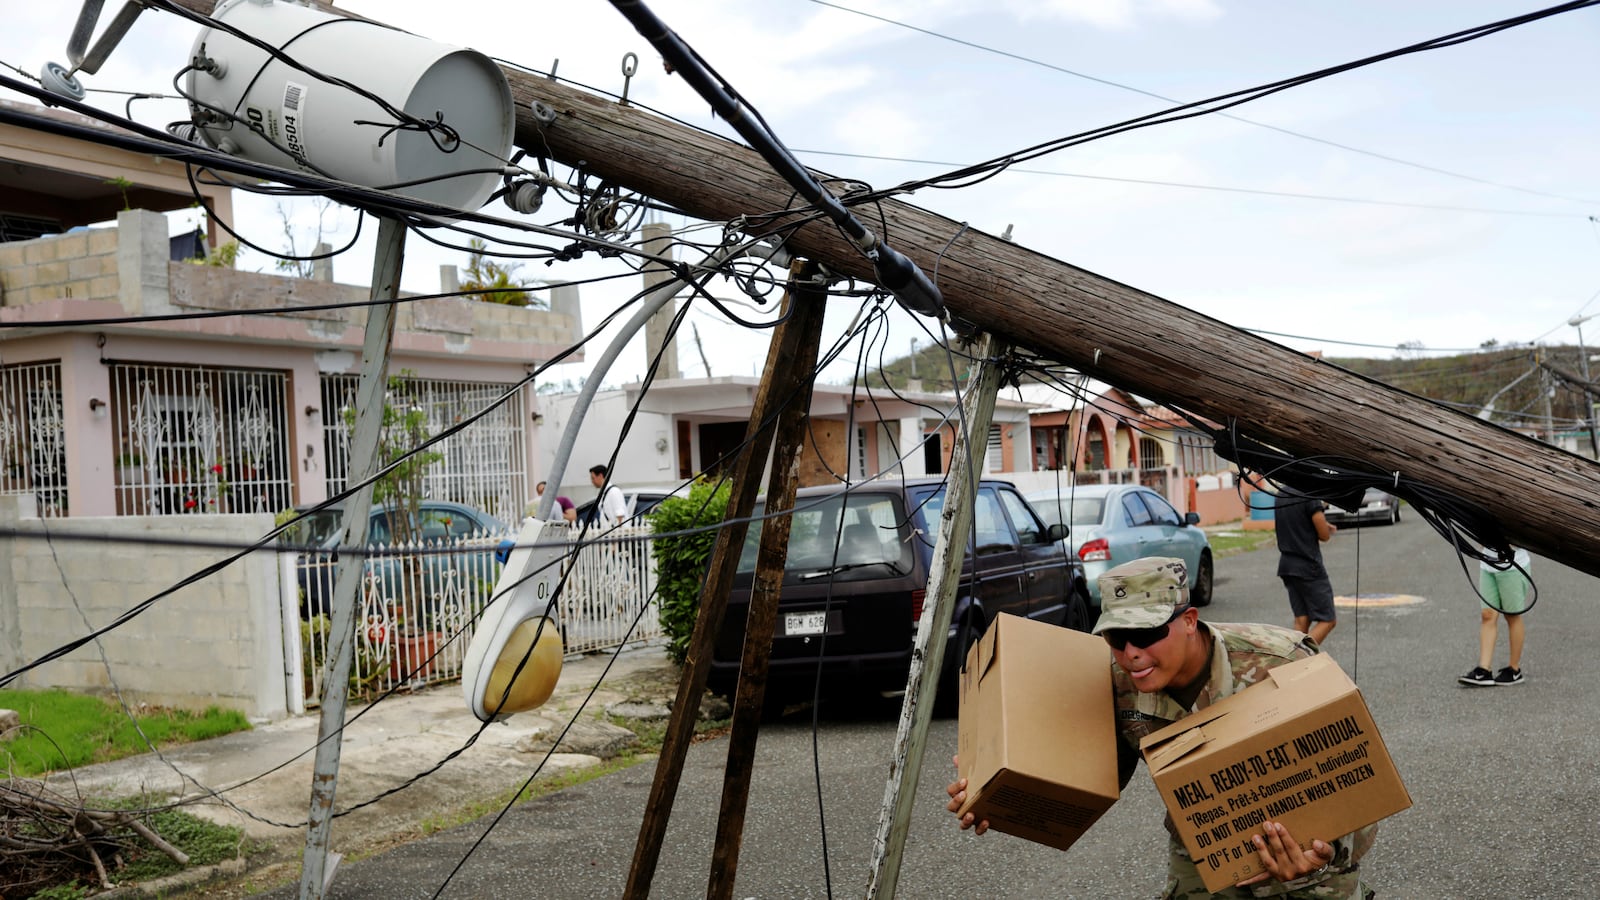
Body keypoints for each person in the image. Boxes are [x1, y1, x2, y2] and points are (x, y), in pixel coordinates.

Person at [947, 557, 1377, 899]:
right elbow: (1083, 778)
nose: (1131, 652)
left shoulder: (1282, 662)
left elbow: (1357, 772)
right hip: (1204, 856)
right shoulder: (1114, 685)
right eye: (1116, 637)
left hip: (1303, 863)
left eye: (1148, 632)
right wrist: (998, 796)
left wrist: (1322, 855)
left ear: (1189, 620)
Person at [1458, 546, 1531, 687]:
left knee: (1512, 616)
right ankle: (1484, 670)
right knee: (1487, 615)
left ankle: (1514, 670)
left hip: (1513, 566)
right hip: (1488, 564)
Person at [1273, 488, 1338, 644]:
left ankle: (1295, 661)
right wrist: (1324, 525)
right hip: (1308, 566)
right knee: (1328, 620)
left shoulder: (1280, 495)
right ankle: (1299, 657)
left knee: (1302, 620)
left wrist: (1320, 523)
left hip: (1287, 566)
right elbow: (1324, 535)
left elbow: (1296, 521)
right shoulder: (1309, 495)